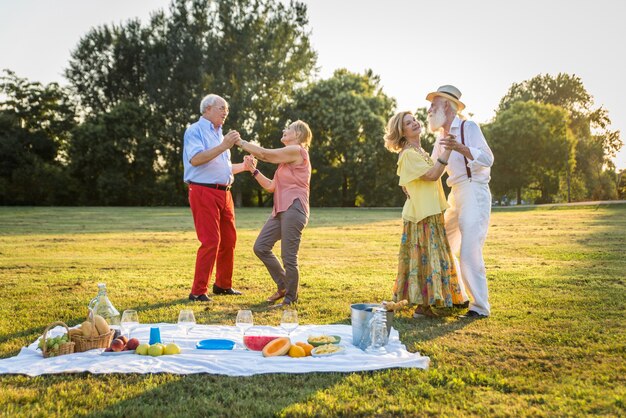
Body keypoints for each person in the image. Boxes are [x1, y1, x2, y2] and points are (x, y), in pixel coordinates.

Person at [384, 111, 466, 318]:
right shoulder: (409, 153)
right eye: (408, 123)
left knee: (430, 257)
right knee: (424, 258)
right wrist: (447, 151)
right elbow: (432, 175)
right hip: (420, 215)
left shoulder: (418, 150)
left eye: (414, 120)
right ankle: (422, 307)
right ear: (401, 131)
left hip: (430, 211)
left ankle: (428, 304)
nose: (414, 123)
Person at [427, 85, 494, 318]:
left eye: (433, 105)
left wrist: (461, 148)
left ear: (446, 105)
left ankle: (480, 307)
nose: (429, 110)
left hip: (474, 190)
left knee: (469, 250)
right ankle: (459, 296)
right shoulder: (440, 138)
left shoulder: (469, 127)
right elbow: (433, 168)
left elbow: (488, 158)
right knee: (444, 245)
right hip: (454, 193)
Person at [183, 93, 252, 302]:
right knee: (210, 240)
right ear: (207, 109)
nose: (225, 112)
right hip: (203, 191)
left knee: (229, 240)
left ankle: (223, 285)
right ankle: (197, 291)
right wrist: (224, 146)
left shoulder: (220, 135)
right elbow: (195, 159)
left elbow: (222, 168)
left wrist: (244, 167)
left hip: (225, 193)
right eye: (221, 107)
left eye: (227, 109)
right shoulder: (195, 131)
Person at [237, 120, 312, 308]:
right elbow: (271, 186)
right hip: (280, 210)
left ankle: (290, 298)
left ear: (298, 135)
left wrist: (241, 142)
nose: (284, 130)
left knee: (289, 257)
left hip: (294, 209)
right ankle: (283, 286)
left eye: (289, 128)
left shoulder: (297, 151)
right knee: (261, 247)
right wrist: (253, 170)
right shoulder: (286, 161)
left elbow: (265, 154)